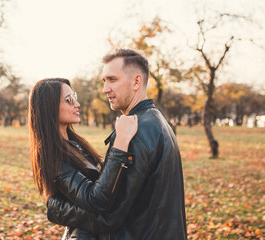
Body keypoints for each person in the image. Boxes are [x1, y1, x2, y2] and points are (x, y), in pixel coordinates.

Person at [47, 49, 188, 239]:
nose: (105, 89)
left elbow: (109, 213)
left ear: (136, 81)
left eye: (112, 80)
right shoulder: (157, 121)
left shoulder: (133, 133)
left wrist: (57, 209)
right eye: (104, 81)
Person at [28, 78, 138, 239]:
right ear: (49, 107)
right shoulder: (53, 156)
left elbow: (103, 184)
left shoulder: (74, 144)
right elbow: (96, 200)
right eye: (69, 100)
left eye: (75, 97)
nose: (77, 104)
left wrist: (57, 210)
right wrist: (121, 142)